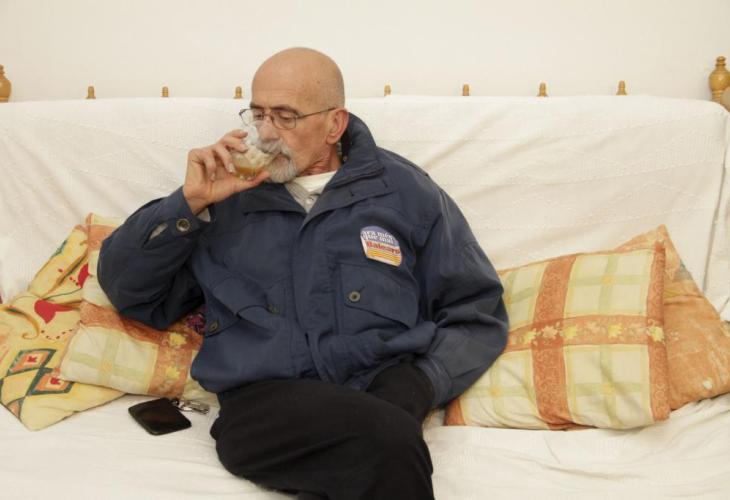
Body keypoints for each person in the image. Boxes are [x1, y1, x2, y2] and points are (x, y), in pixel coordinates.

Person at [98, 47, 509, 500]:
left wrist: (421, 381)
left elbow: (476, 311)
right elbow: (131, 293)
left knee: (379, 437)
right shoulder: (224, 200)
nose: (266, 133)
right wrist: (189, 203)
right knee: (388, 438)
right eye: (259, 115)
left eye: (285, 117)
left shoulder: (405, 193)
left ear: (334, 124)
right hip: (265, 408)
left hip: (384, 392)